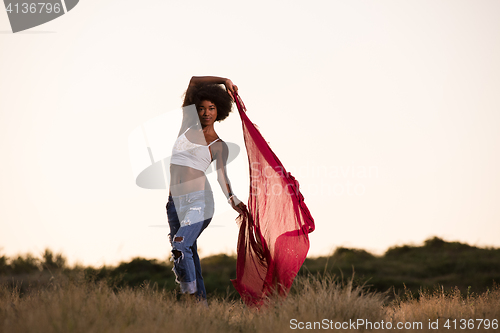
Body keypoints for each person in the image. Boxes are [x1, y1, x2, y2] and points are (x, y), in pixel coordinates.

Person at [166, 76, 246, 302]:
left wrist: (233, 200)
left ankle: (189, 297)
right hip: (174, 204)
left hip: (200, 202)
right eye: (201, 108)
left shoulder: (218, 145)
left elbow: (222, 177)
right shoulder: (186, 125)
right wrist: (224, 80)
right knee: (188, 252)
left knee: (180, 245)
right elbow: (193, 81)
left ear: (219, 110)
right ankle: (200, 309)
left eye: (211, 108)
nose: (206, 112)